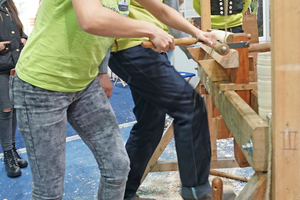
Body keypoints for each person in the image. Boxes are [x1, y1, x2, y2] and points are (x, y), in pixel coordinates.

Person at [12, 0, 215, 199]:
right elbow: (90, 18)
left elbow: (161, 9)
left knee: (118, 168)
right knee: (49, 190)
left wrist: (197, 33)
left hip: (83, 82)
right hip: (42, 85)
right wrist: (149, 28)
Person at [108, 1, 220, 200]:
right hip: (132, 47)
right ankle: (197, 192)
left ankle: (123, 194)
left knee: (151, 121)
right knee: (189, 107)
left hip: (147, 46)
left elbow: (161, 10)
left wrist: (197, 33)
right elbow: (101, 16)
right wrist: (101, 70)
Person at [0, 0, 28, 178]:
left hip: (14, 66)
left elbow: (16, 28)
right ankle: (7, 154)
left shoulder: (7, 4)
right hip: (1, 68)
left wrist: (23, 36)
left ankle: (12, 150)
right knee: (6, 110)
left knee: (14, 108)